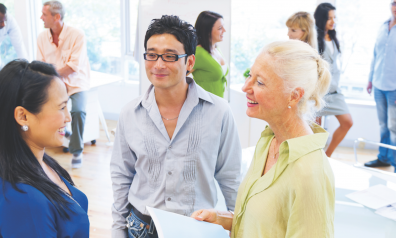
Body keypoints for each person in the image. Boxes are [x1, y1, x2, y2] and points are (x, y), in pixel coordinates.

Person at [110, 15, 242, 238]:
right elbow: (121, 177)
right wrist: (117, 230)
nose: (159, 64)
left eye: (170, 56)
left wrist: (239, 226)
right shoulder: (130, 113)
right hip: (140, 227)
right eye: (151, 55)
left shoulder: (219, 111)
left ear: (189, 62)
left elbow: (231, 177)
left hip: (195, 228)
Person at [191, 40, 335, 238]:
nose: (245, 87)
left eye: (260, 82)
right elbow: (268, 225)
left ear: (294, 96)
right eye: (250, 75)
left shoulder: (309, 173)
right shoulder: (268, 142)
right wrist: (221, 219)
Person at [0, 60, 90, 237]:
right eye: (61, 107)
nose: (68, 118)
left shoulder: (41, 162)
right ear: (23, 116)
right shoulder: (25, 199)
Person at [37, 1, 91, 168]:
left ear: (57, 16)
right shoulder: (41, 37)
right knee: (41, 108)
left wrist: (53, 71)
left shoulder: (77, 35)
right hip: (54, 83)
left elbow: (73, 67)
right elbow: (40, 65)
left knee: (78, 110)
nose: (41, 18)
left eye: (44, 15)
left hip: (76, 83)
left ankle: (76, 150)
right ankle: (44, 147)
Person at [364, 0, 396, 173]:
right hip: (378, 84)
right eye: (394, 3)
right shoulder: (382, 26)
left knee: (394, 128)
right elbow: (375, 54)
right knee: (383, 126)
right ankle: (383, 158)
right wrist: (370, 79)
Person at [314, 3, 353, 158]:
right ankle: (315, 157)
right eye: (329, 18)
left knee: (347, 122)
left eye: (334, 17)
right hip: (319, 91)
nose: (333, 21)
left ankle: (326, 156)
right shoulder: (314, 39)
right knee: (315, 128)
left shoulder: (333, 37)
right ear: (321, 18)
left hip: (335, 90)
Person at [190, 11, 228, 98]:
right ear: (207, 31)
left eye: (223, 26)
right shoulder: (198, 53)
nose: (224, 30)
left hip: (219, 105)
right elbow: (178, 78)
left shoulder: (216, 48)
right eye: (220, 28)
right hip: (205, 106)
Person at [0, 3, 28, 67]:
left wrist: (26, 68)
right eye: (0, 21)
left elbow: (19, 45)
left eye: (4, 21)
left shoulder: (9, 19)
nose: (3, 24)